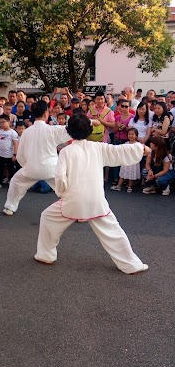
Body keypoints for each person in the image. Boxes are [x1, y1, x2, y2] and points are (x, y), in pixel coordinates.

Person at [35, 114, 150, 274]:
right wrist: (141, 148)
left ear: (68, 131)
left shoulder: (66, 151)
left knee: (47, 217)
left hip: (72, 201)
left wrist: (62, 193)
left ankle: (46, 254)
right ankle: (131, 264)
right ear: (89, 131)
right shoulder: (98, 147)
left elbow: (60, 177)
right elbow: (119, 151)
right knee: (113, 233)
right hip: (96, 201)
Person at [2, 100, 72, 216]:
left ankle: (10, 207)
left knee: (15, 182)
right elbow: (76, 128)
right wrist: (92, 122)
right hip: (51, 169)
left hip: (31, 169)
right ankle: (75, 210)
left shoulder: (26, 132)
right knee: (67, 188)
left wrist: (27, 166)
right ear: (46, 113)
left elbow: (20, 156)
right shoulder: (53, 130)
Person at [111, 128, 141, 192]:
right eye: (129, 134)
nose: (131, 136)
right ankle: (119, 186)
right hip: (126, 160)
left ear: (136, 135)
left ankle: (130, 186)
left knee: (131, 175)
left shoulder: (138, 144)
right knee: (122, 174)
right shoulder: (126, 143)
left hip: (133, 162)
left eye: (132, 134)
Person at [0, 114, 19, 189]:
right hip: (0, 154)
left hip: (9, 155)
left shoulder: (13, 133)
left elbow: (15, 144)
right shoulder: (0, 132)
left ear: (9, 122)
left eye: (3, 122)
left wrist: (15, 154)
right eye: (0, 122)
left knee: (11, 169)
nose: (2, 124)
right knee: (0, 169)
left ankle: (14, 182)